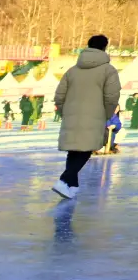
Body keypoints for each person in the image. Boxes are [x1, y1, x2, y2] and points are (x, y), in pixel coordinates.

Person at [52, 34, 120, 199]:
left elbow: (59, 96)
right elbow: (111, 96)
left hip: (71, 115)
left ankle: (72, 187)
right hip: (95, 115)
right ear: (105, 47)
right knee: (85, 150)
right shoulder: (108, 70)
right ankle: (64, 180)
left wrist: (64, 112)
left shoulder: (72, 71)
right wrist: (107, 113)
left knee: (74, 150)